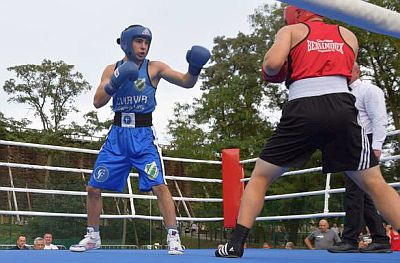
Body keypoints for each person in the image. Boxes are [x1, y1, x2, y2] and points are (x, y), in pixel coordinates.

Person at [215, 5, 400, 258]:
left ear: (298, 12)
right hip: (341, 107)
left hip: (302, 107)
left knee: (259, 178)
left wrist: (278, 67)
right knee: (375, 183)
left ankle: (236, 244)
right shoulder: (348, 35)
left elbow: (272, 65)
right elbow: (345, 70)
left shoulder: (290, 30)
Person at [69, 25, 211, 255]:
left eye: (146, 42)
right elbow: (97, 101)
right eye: (138, 41)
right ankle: (93, 236)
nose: (143, 47)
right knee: (93, 188)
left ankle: (174, 237)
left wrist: (194, 69)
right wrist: (115, 80)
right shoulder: (111, 69)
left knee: (159, 186)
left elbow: (186, 82)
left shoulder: (155, 68)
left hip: (143, 137)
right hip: (117, 136)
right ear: (126, 42)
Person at [328, 63, 391, 253]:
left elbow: (379, 118)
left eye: (347, 68)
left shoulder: (370, 90)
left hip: (366, 141)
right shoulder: (340, 94)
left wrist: (377, 147)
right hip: (350, 143)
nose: (343, 72)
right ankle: (380, 239)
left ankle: (350, 240)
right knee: (364, 196)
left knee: (354, 193)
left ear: (357, 71)